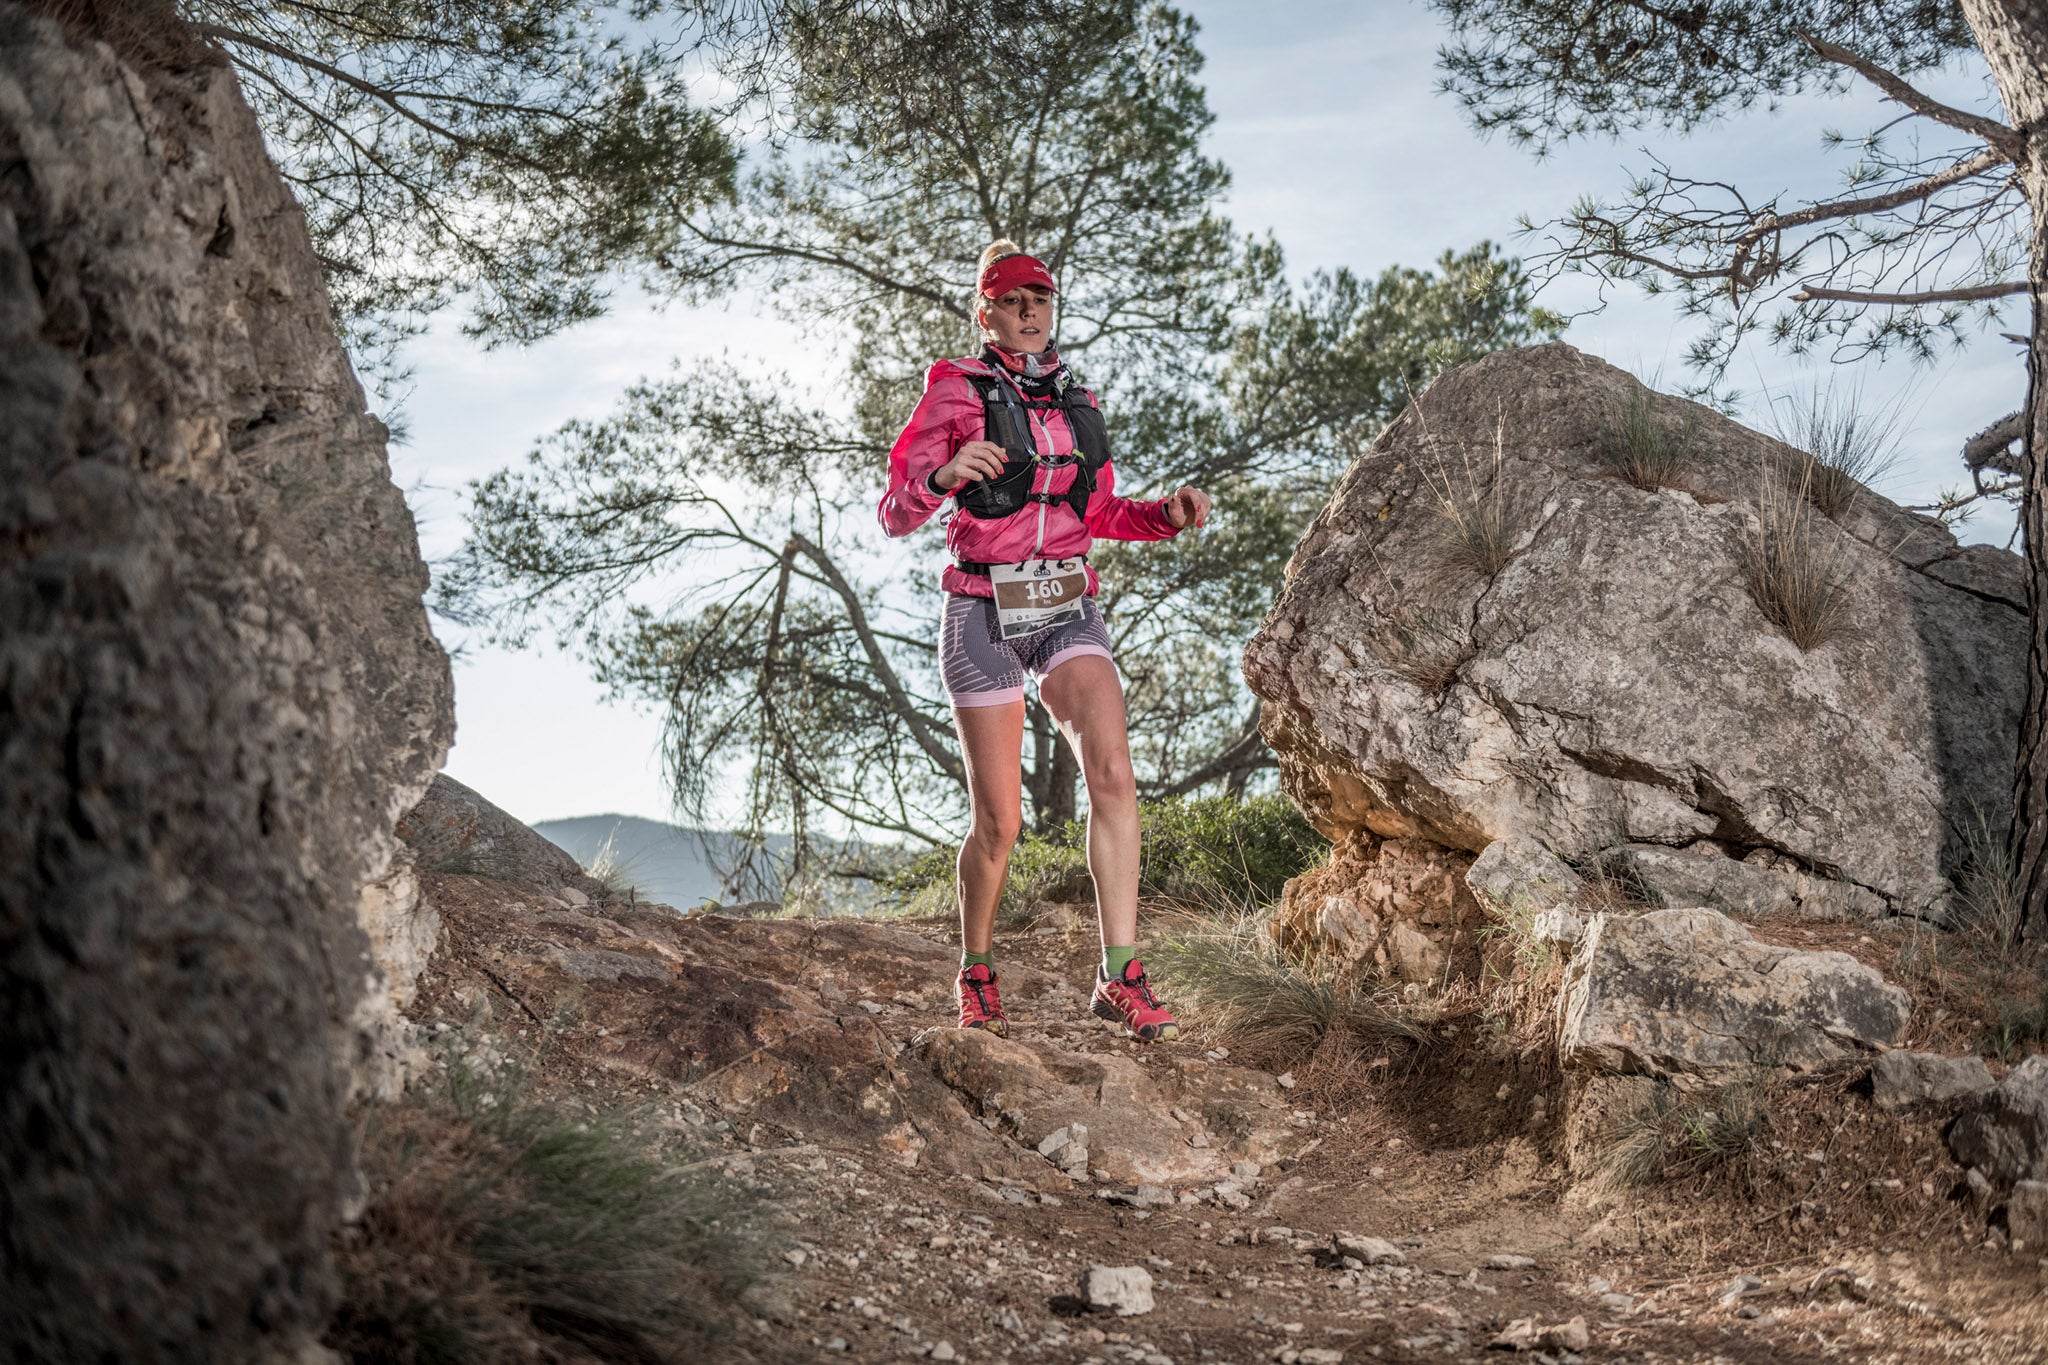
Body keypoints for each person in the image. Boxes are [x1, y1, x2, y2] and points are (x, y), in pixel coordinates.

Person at [878, 240, 1212, 1043]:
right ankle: (977, 970)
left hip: (1065, 606)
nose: (1032, 313)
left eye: (1043, 300)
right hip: (982, 611)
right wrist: (948, 473)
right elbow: (896, 510)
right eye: (1016, 300)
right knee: (1000, 824)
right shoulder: (955, 389)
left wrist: (1163, 514)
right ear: (986, 310)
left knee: (1115, 772)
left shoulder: (1077, 401)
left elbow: (1099, 515)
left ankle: (1119, 973)